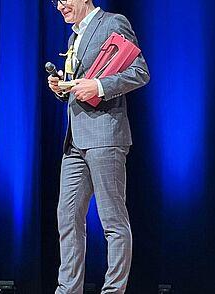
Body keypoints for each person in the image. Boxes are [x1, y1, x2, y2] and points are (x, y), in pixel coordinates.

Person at [47, 1, 150, 293]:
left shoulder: (112, 22)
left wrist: (100, 87)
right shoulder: (73, 36)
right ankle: (68, 289)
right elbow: (81, 83)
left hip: (105, 135)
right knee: (67, 218)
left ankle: (113, 290)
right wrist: (63, 87)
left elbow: (140, 72)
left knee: (112, 220)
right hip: (75, 139)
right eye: (55, 2)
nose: (59, 6)